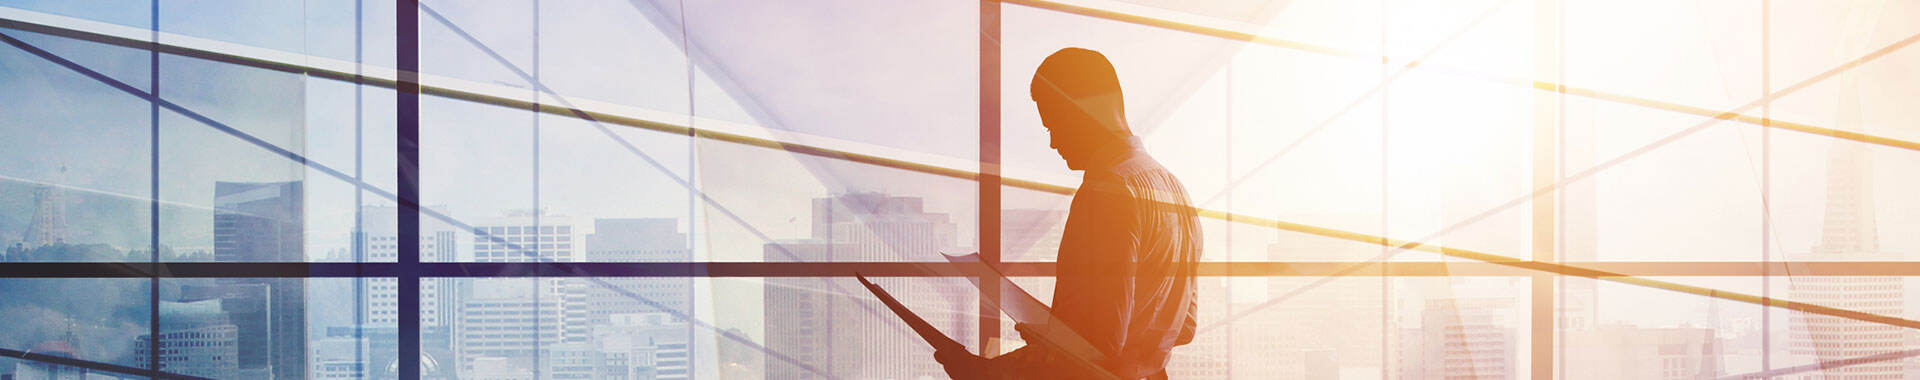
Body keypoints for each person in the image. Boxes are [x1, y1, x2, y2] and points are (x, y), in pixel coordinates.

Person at [935, 47, 1201, 380]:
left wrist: (987, 372)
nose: (1053, 143)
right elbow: (1186, 326)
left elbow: (1092, 346)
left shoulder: (1108, 192)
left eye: (1054, 124)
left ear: (1085, 109)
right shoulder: (1175, 191)